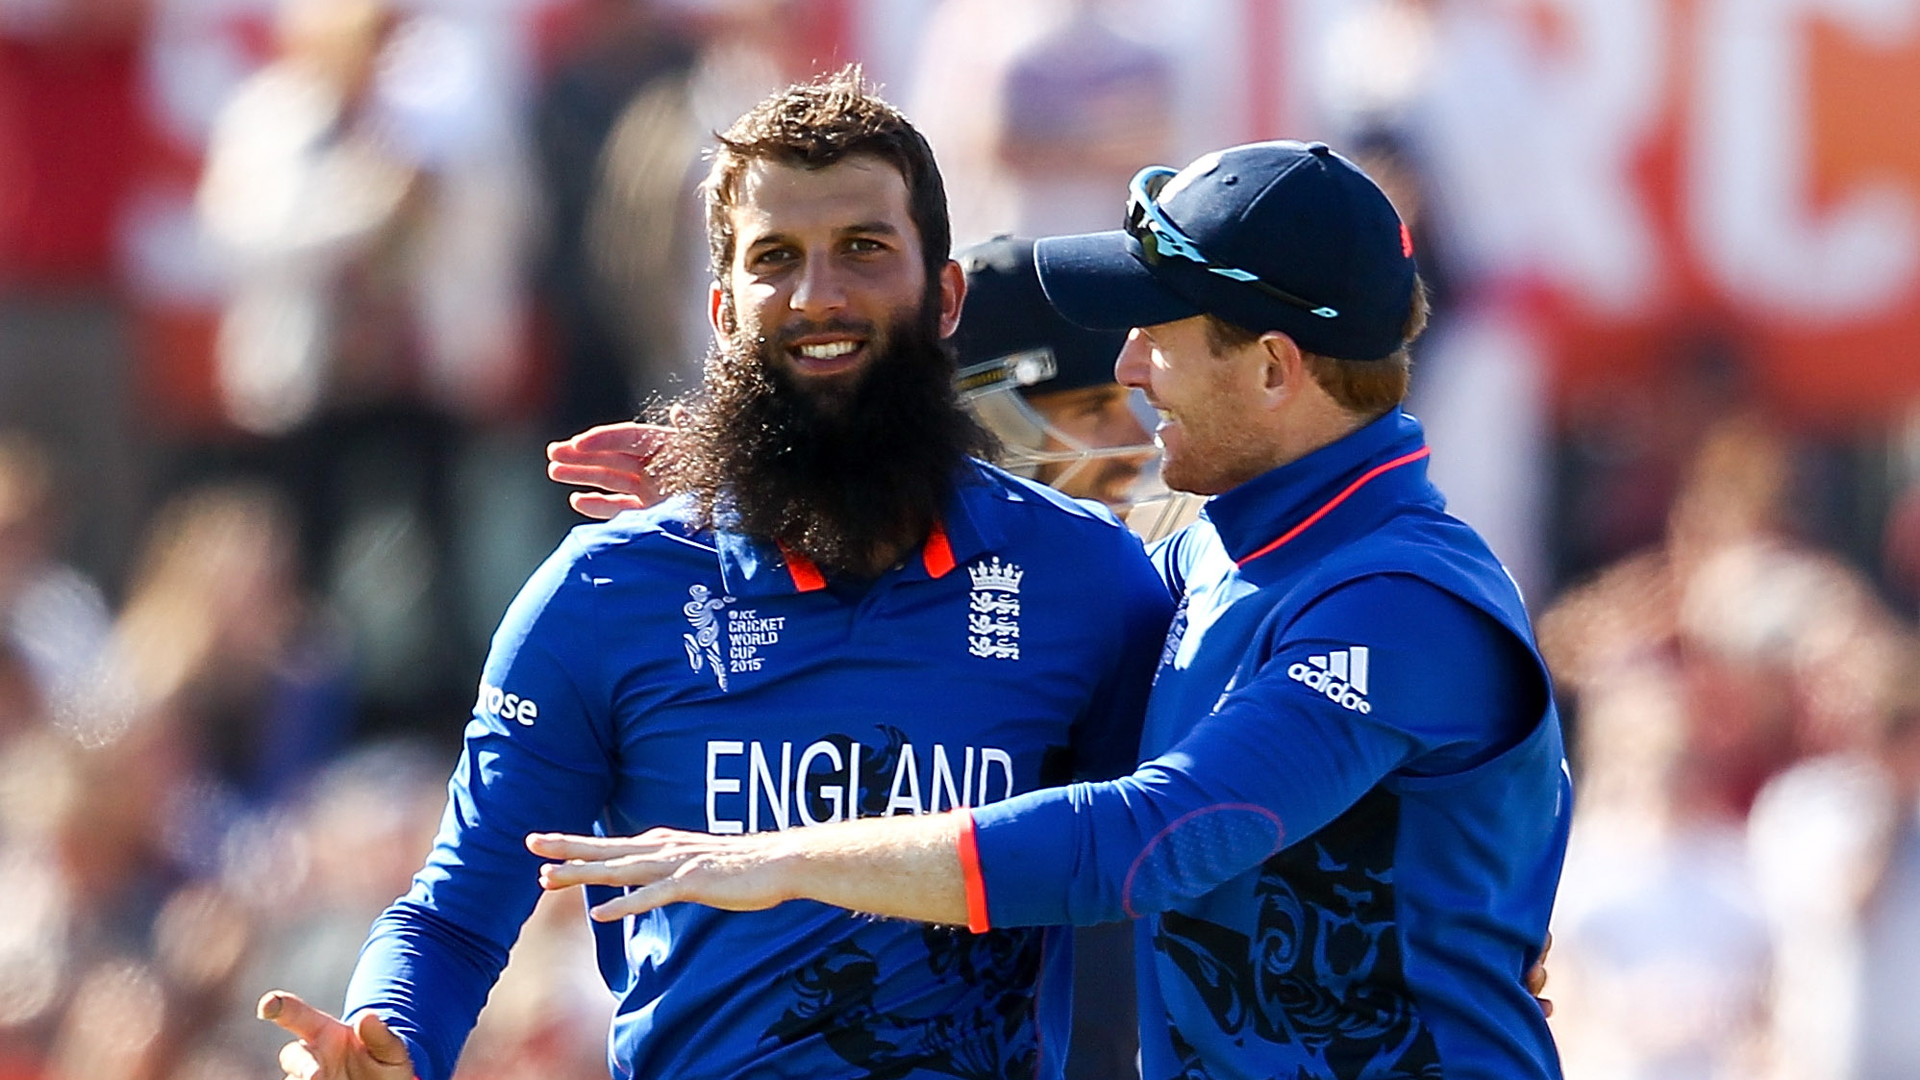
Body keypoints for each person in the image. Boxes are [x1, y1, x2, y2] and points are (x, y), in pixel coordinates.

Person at [532, 140, 1572, 1080]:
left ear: (1272, 367)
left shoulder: (1400, 604)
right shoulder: (1216, 553)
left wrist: (778, 856)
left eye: (1155, 337)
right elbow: (996, 576)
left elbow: (1154, 837)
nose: (1123, 372)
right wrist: (772, 474)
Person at [257, 68, 1174, 1080]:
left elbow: (1162, 877)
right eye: (776, 258)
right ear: (725, 311)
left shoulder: (1091, 582)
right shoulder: (606, 595)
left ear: (945, 294)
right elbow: (456, 914)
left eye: (864, 249)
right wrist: (389, 1034)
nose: (819, 293)